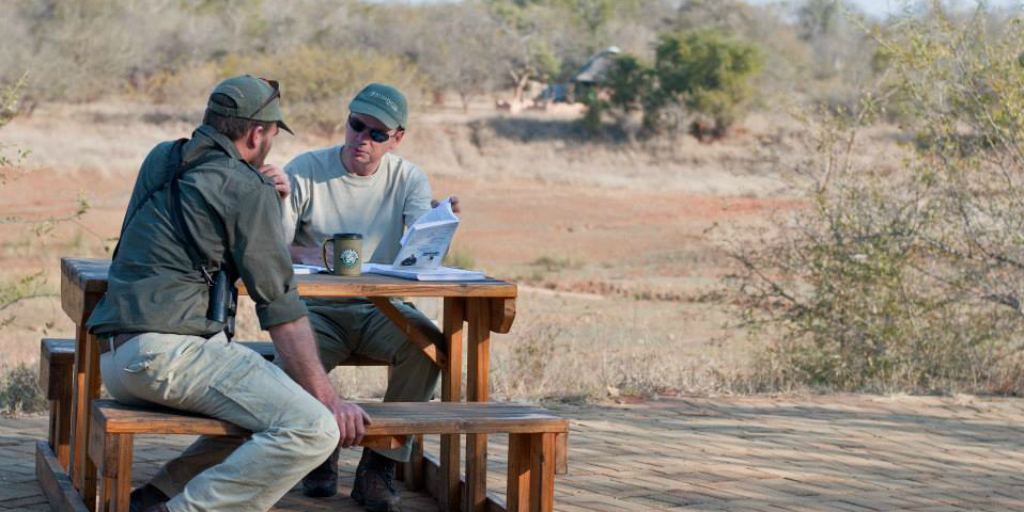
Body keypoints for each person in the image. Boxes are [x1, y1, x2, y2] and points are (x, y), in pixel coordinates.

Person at [86, 75, 370, 512]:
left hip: (116, 359)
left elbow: (191, 224)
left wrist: (260, 194)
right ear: (257, 133)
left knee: (271, 399)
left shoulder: (162, 158)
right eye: (274, 133)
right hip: (166, 358)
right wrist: (329, 401)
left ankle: (157, 495)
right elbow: (281, 308)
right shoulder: (246, 187)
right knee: (312, 427)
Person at [269, 83, 456, 512]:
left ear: (397, 138)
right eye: (357, 125)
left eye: (377, 133)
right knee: (287, 356)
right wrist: (304, 250)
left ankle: (380, 460)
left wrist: (440, 226)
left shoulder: (408, 178)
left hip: (383, 309)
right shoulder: (304, 170)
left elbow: (418, 252)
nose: (362, 139)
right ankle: (319, 445)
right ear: (347, 121)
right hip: (314, 310)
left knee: (429, 350)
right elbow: (272, 247)